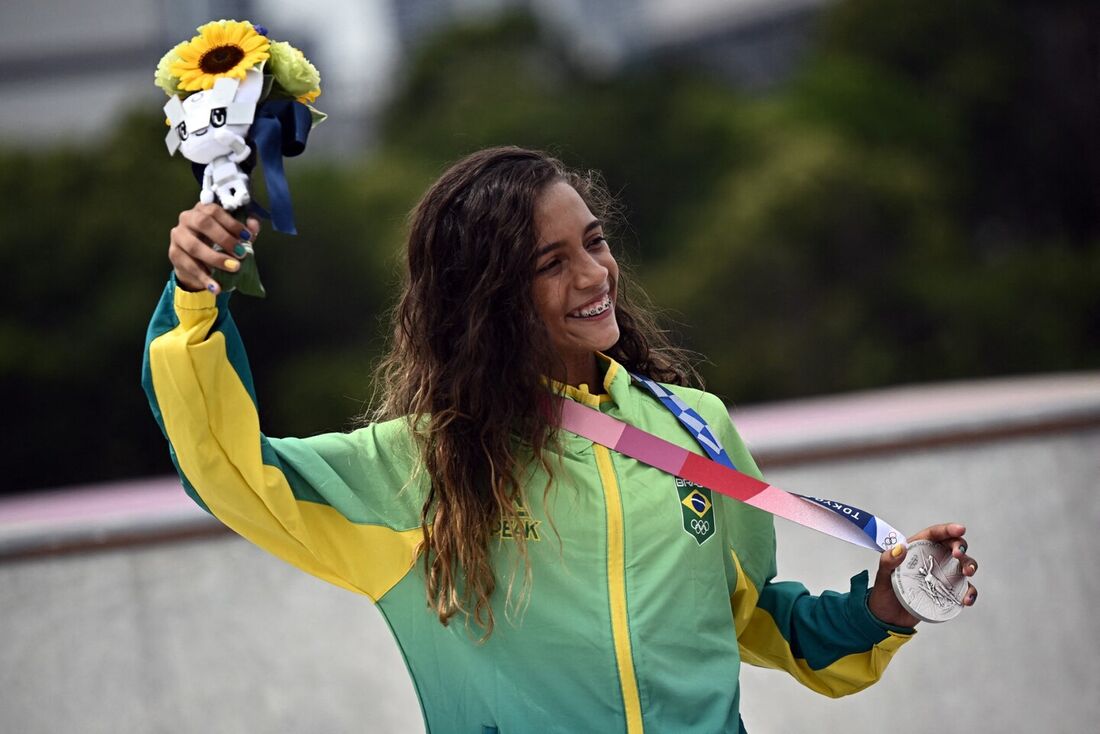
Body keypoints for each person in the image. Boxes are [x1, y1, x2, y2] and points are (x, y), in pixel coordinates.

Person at [143, 146, 979, 733]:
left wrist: (890, 602)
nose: (594, 275)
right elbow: (230, 469)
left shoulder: (696, 426)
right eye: (550, 263)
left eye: (596, 241)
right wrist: (193, 301)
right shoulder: (420, 467)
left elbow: (756, 619)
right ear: (484, 297)